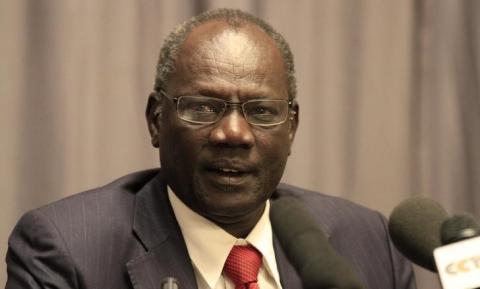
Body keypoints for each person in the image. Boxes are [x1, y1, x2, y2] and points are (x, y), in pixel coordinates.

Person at [6, 8, 416, 289]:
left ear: (291, 128)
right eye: (202, 107)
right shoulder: (67, 250)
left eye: (261, 110)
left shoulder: (369, 243)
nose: (234, 133)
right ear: (155, 120)